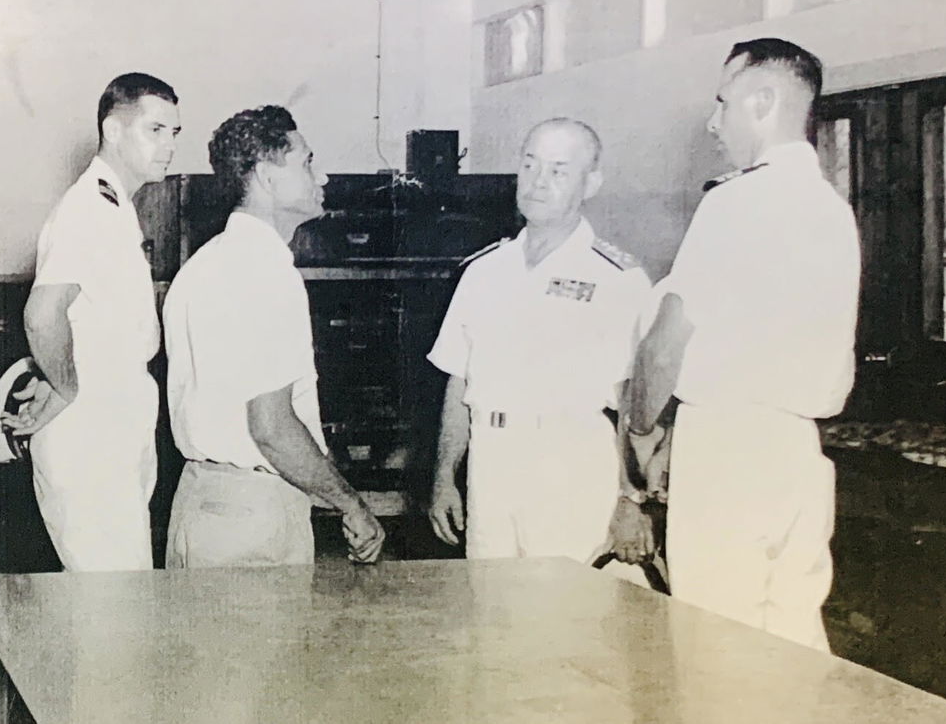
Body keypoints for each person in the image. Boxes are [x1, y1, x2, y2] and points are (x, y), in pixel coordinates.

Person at [622, 38, 860, 651]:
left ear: (763, 101)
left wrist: (643, 435)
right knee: (793, 644)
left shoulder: (734, 202)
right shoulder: (833, 211)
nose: (712, 121)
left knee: (715, 652)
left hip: (727, 454)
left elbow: (665, 345)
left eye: (723, 102)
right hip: (798, 452)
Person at [162, 105, 385, 568]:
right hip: (252, 514)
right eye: (306, 162)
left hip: (202, 502)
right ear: (266, 175)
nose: (321, 177)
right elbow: (271, 427)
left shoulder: (203, 263)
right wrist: (352, 505)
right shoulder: (265, 273)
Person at [427, 118, 651, 575]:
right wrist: (444, 475)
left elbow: (635, 399)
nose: (538, 182)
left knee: (565, 627)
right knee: (490, 622)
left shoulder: (617, 278)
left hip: (569, 467)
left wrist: (631, 498)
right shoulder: (483, 271)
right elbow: (460, 379)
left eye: (558, 170)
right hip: (490, 466)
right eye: (530, 165)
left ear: (591, 183)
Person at [1, 73, 181, 571]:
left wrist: (61, 379)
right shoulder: (90, 207)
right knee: (114, 613)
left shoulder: (113, 205)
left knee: (113, 605)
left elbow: (86, 326)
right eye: (156, 130)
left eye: (174, 133)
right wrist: (65, 388)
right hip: (94, 431)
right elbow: (42, 316)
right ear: (114, 130)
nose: (169, 146)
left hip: (114, 420)